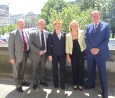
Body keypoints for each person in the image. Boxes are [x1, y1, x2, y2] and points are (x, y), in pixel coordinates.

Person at [85, 10, 110, 98]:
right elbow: (86, 39)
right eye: (93, 16)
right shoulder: (88, 27)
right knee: (90, 71)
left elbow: (106, 40)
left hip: (101, 54)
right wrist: (91, 49)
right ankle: (91, 84)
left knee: (102, 73)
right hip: (90, 53)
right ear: (91, 17)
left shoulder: (106, 26)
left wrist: (98, 49)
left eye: (97, 16)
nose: (95, 17)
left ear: (100, 16)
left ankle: (105, 91)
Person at [8, 19, 30, 92]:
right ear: (17, 24)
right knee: (16, 71)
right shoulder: (13, 33)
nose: (22, 25)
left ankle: (22, 81)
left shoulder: (26, 32)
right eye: (20, 24)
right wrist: (12, 58)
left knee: (22, 70)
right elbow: (10, 47)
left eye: (23, 24)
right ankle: (18, 85)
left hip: (25, 54)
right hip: (16, 56)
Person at [66, 20, 86, 91]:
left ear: (78, 26)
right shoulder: (68, 35)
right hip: (73, 54)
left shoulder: (82, 32)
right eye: (73, 25)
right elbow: (67, 46)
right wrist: (67, 56)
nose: (74, 27)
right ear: (70, 27)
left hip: (81, 53)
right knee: (74, 69)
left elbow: (86, 41)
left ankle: (81, 84)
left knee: (81, 68)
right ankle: (75, 83)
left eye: (76, 25)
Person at [29, 19, 49, 90]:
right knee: (35, 70)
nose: (42, 25)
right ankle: (35, 83)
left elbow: (48, 44)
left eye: (44, 24)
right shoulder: (32, 33)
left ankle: (42, 81)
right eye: (41, 24)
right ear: (38, 25)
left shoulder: (47, 33)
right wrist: (38, 51)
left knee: (42, 69)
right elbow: (30, 44)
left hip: (44, 55)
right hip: (35, 55)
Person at [47, 20, 66, 89]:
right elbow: (48, 45)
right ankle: (55, 83)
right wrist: (49, 55)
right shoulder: (51, 34)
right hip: (54, 55)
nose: (58, 26)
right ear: (54, 26)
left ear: (61, 26)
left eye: (59, 25)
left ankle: (62, 84)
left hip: (62, 55)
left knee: (62, 69)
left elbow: (65, 45)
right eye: (57, 25)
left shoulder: (64, 34)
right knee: (54, 70)